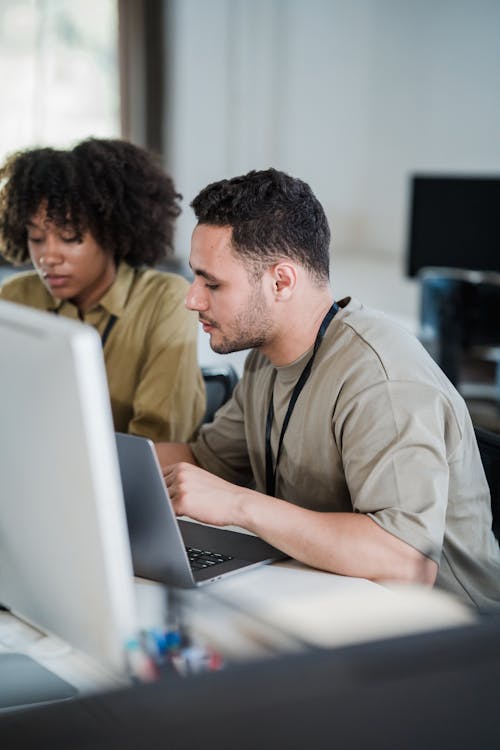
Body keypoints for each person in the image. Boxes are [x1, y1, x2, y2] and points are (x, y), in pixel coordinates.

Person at [155, 167, 500, 612]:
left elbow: (406, 562)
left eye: (212, 283)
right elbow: (203, 462)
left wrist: (240, 505)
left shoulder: (381, 378)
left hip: (452, 635)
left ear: (281, 281)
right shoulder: (267, 356)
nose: (192, 299)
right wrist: (91, 460)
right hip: (339, 601)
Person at [0, 138, 205, 442]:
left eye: (70, 237)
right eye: (37, 238)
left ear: (112, 232)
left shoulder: (165, 300)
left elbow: (157, 444)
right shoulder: (16, 297)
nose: (48, 257)